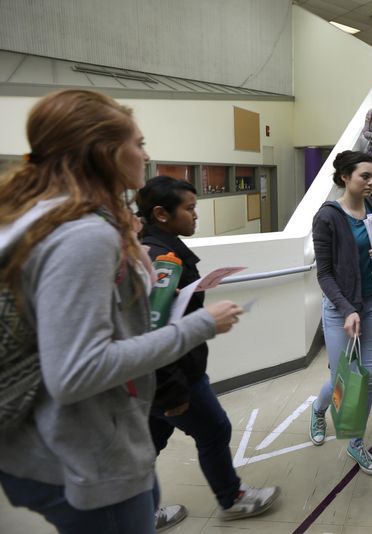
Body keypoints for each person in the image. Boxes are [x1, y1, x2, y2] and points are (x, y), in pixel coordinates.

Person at [0, 89, 243, 533]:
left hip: (50, 445)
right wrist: (198, 326)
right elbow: (77, 371)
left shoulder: (41, 217)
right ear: (105, 152)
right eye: (138, 143)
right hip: (88, 460)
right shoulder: (84, 235)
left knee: (149, 490)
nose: (145, 155)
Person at [137, 177, 279, 528]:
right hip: (175, 376)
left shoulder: (155, 250)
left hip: (156, 379)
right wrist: (172, 392)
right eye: (189, 208)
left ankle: (141, 515)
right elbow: (154, 331)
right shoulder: (162, 259)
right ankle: (232, 498)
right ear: (161, 214)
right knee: (214, 430)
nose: (196, 215)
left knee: (146, 446)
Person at [310, 151, 372, 474]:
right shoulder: (327, 217)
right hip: (339, 309)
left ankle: (356, 442)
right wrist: (346, 309)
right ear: (345, 177)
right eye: (365, 176)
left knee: (367, 377)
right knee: (341, 379)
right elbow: (324, 274)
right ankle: (319, 410)